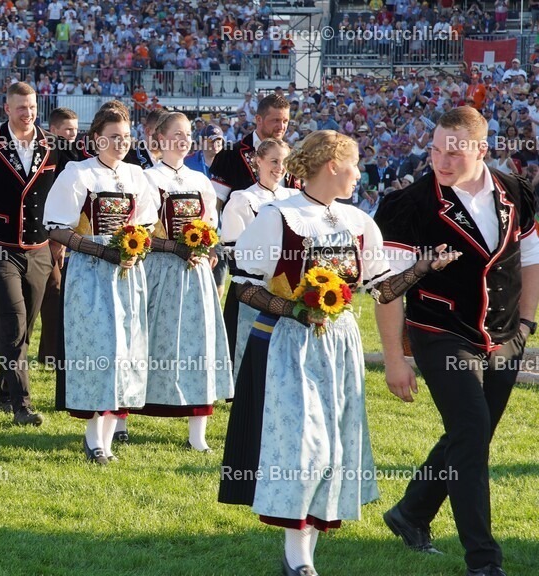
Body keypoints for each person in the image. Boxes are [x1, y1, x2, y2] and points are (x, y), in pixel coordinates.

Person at [217, 130, 457, 576]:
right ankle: (297, 554)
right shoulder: (278, 216)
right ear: (332, 165)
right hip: (290, 346)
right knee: (301, 445)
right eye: (354, 162)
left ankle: (309, 541)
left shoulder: (357, 220)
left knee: (331, 446)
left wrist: (424, 267)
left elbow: (380, 288)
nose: (358, 171)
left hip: (340, 347)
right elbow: (245, 284)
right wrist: (295, 310)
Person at [374, 107, 539, 576]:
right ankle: (484, 561)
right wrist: (394, 358)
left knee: (472, 433)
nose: (442, 161)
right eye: (435, 150)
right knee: (471, 435)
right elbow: (387, 290)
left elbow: (531, 256)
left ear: (481, 149)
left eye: (454, 151)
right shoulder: (408, 205)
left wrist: (526, 323)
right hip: (438, 332)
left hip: (506, 334)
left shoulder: (514, 190)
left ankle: (410, 512)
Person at [44, 106, 158, 464]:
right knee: (98, 350)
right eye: (114, 136)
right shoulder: (79, 173)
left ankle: (108, 434)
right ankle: (93, 437)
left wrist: (133, 248)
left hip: (127, 275)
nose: (121, 143)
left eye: (126, 136)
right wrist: (102, 251)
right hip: (91, 274)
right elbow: (57, 228)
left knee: (124, 351)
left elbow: (147, 226)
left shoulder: (137, 175)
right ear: (97, 138)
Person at [0, 82, 71, 425]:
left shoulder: (55, 147)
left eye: (33, 106)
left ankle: (5, 392)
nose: (28, 113)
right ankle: (22, 405)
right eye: (21, 107)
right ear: (6, 109)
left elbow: (69, 194)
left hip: (39, 248)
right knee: (12, 320)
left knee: (27, 325)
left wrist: (61, 239)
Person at [137, 112, 233, 452]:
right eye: (176, 134)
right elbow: (141, 230)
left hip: (195, 273)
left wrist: (207, 249)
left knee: (198, 345)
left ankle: (198, 433)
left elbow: (210, 223)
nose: (183, 139)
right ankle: (121, 418)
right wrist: (173, 247)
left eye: (187, 134)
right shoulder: (147, 178)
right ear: (159, 140)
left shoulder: (200, 181)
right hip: (159, 270)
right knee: (147, 341)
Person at [210, 94, 302, 366]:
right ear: (258, 118)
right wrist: (216, 244)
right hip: (236, 246)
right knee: (237, 307)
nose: (281, 126)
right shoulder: (230, 154)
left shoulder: (291, 157)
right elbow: (214, 203)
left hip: (282, 259)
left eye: (285, 121)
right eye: (275, 120)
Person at [220, 138, 300, 380]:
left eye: (284, 162)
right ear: (258, 161)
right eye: (274, 161)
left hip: (290, 286)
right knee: (252, 354)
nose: (279, 167)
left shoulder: (294, 197)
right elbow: (234, 249)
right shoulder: (243, 199)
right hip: (254, 288)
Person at [38, 106, 79, 366]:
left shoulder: (72, 156)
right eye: (68, 130)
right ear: (53, 130)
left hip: (60, 235)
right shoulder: (50, 156)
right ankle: (50, 354)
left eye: (75, 130)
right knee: (52, 290)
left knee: (56, 290)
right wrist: (56, 240)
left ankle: (50, 353)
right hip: (41, 233)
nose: (73, 135)